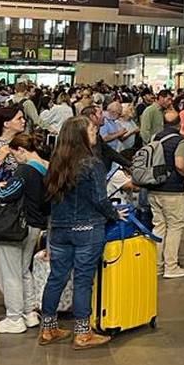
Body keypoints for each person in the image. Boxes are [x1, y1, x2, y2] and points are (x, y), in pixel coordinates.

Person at [38, 117, 124, 350]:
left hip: (59, 229)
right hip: (87, 228)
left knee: (56, 278)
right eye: (91, 128)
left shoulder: (56, 162)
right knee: (83, 280)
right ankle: (83, 333)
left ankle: (47, 328)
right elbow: (100, 199)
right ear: (80, 135)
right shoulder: (92, 163)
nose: (95, 131)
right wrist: (115, 215)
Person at [0, 133, 50, 334]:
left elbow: (8, 194)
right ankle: (29, 313)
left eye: (14, 155)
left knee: (10, 273)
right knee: (24, 270)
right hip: (35, 225)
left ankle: (14, 318)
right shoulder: (46, 168)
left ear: (22, 150)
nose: (15, 159)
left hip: (17, 227)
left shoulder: (25, 170)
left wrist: (0, 188)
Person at [145, 110, 184, 279]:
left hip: (154, 188)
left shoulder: (154, 138)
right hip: (172, 191)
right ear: (179, 124)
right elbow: (179, 164)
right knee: (175, 226)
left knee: (159, 226)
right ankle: (171, 266)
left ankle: (157, 265)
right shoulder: (180, 141)